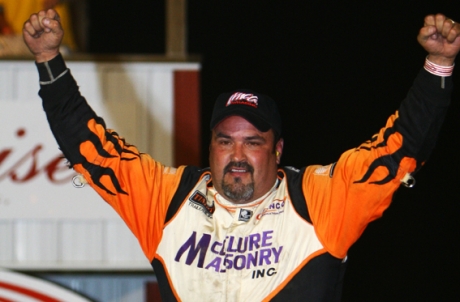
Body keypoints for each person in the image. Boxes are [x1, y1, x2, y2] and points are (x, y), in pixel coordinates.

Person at [22, 9, 459, 302]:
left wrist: (437, 65)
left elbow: (399, 148)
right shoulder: (168, 199)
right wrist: (47, 59)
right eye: (225, 140)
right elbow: (92, 150)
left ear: (278, 149)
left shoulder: (319, 200)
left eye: (253, 142)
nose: (237, 154)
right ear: (209, 147)